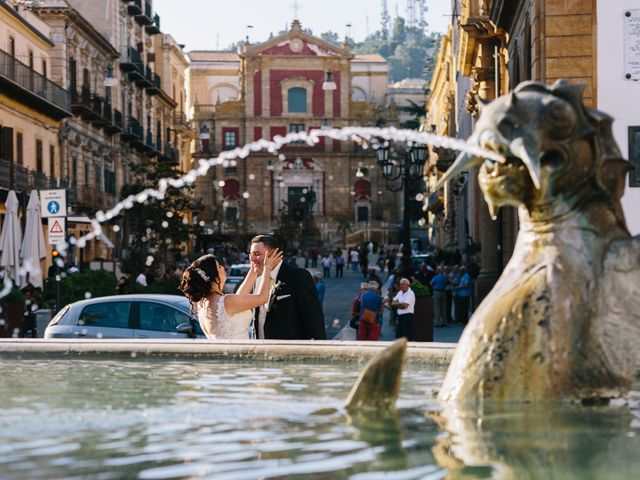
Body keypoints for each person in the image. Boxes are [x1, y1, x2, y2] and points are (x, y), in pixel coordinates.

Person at [179, 249, 283, 340]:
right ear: (214, 278)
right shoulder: (225, 301)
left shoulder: (204, 304)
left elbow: (238, 298)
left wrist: (253, 271)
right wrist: (267, 268)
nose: (223, 268)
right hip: (238, 359)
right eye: (219, 267)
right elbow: (262, 297)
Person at [249, 235, 326, 340]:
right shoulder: (257, 281)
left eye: (257, 254)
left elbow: (314, 321)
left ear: (273, 254)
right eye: (251, 254)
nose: (252, 259)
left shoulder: (298, 276)